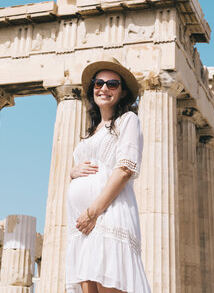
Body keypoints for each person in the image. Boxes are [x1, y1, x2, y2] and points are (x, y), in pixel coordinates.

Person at [65, 57, 151, 293]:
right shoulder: (91, 132)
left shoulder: (128, 120)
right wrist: (72, 173)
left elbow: (124, 170)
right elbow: (86, 169)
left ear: (123, 92)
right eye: (98, 83)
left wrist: (93, 212)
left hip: (107, 216)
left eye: (112, 84)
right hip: (82, 226)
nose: (104, 88)